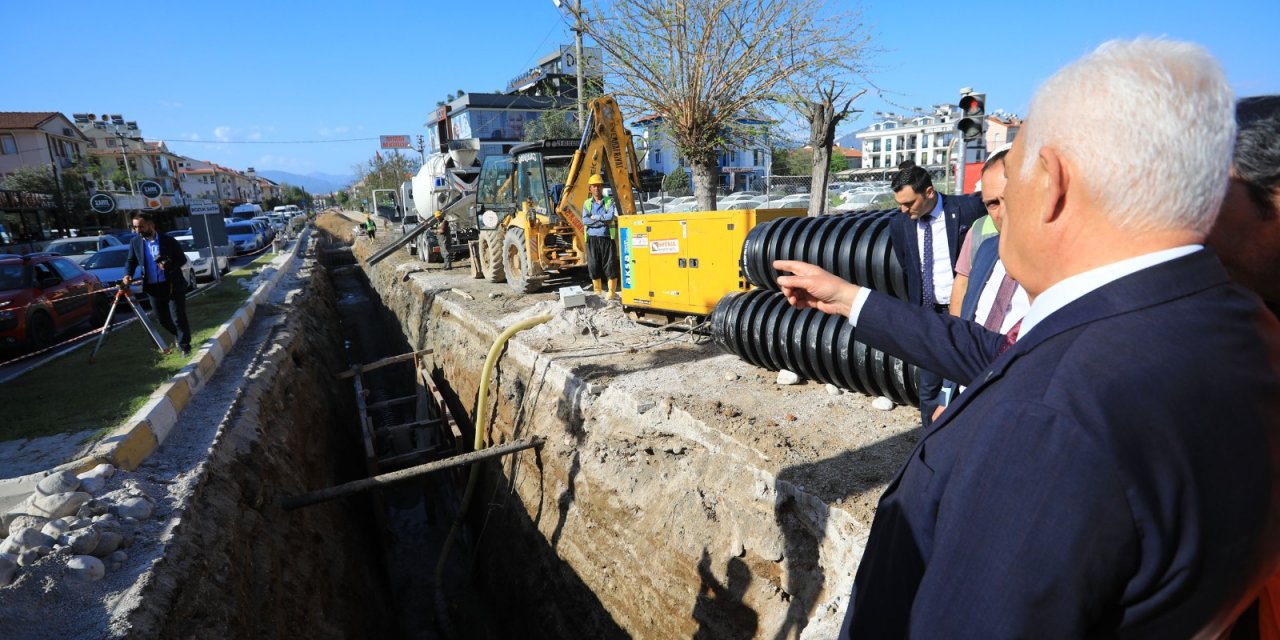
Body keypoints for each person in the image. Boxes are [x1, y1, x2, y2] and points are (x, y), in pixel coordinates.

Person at [775, 39, 1280, 636]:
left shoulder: (1047, 424)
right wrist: (850, 298)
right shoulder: (1233, 326)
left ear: (1055, 184)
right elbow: (1000, 356)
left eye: (1010, 180)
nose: (997, 210)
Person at [886, 159, 984, 427]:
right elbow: (909, 267)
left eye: (909, 203)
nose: (904, 210)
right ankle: (931, 439)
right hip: (928, 312)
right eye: (899, 205)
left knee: (967, 376)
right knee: (928, 384)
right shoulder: (900, 224)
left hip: (964, 309)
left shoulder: (966, 209)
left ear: (929, 192)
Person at [934, 146, 1028, 418]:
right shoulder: (986, 249)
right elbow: (966, 324)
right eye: (992, 204)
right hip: (968, 394)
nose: (1001, 212)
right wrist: (947, 393)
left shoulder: (1065, 266)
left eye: (1010, 198)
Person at [122, 212, 192, 357]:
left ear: (151, 225)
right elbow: (131, 261)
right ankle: (179, 335)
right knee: (162, 319)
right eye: (134, 227)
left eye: (140, 226)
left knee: (178, 316)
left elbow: (182, 259)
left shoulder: (168, 240)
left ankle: (185, 346)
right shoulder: (135, 242)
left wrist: (169, 265)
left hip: (172, 284)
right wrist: (127, 274)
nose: (137, 230)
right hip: (153, 287)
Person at [582, 174, 620, 299]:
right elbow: (585, 220)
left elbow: (610, 217)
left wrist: (596, 218)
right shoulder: (587, 203)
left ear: (602, 187)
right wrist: (602, 220)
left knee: (610, 265)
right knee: (593, 265)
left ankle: (611, 292)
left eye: (599, 186)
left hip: (606, 239)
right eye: (594, 186)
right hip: (592, 240)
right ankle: (597, 291)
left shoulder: (609, 201)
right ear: (590, 189)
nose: (597, 188)